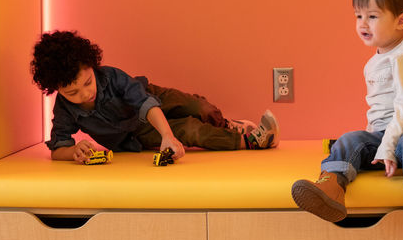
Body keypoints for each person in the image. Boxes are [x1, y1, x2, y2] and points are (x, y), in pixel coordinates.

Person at [291, 0, 403, 240]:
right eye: (358, 16)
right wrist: (371, 144)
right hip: (391, 134)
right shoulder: (374, 61)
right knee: (350, 139)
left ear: (401, 21)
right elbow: (379, 113)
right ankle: (331, 187)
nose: (362, 24)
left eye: (373, 16)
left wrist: (387, 147)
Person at [31, 30, 278, 162]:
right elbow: (58, 148)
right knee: (191, 130)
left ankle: (226, 125)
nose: (85, 94)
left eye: (88, 82)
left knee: (198, 107)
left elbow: (144, 103)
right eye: (72, 93)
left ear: (92, 66)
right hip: (135, 133)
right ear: (57, 90)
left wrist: (166, 135)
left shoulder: (110, 76)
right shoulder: (64, 109)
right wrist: (74, 152)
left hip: (149, 99)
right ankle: (251, 141)